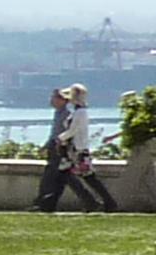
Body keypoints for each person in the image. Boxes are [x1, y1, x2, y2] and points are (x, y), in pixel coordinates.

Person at [38, 85, 121, 213]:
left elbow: (73, 130)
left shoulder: (80, 112)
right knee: (63, 177)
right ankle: (49, 204)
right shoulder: (78, 111)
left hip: (78, 151)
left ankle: (108, 202)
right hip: (73, 150)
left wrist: (59, 138)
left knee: (88, 178)